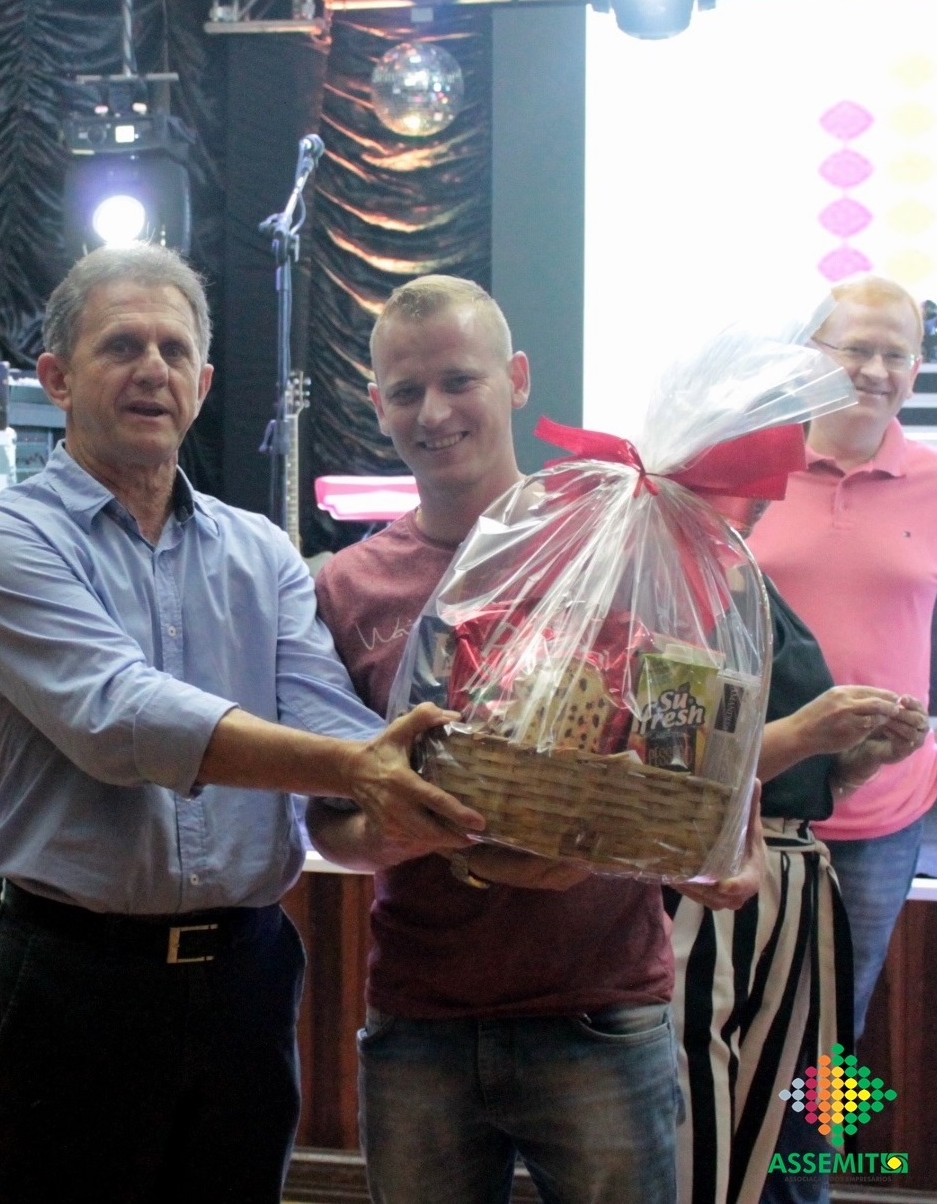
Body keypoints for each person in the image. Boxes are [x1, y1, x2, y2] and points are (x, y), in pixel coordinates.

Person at [0, 244, 485, 1204]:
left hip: (247, 975)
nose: (151, 369)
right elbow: (118, 718)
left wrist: (448, 794)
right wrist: (359, 766)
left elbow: (327, 719)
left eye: (173, 349)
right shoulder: (3, 540)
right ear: (57, 379)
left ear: (201, 385)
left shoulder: (261, 551)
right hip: (76, 979)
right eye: (121, 346)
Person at [307, 275, 759, 1204]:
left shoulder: (618, 546)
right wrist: (405, 828)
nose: (433, 413)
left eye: (459, 381)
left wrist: (725, 846)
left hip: (600, 1012)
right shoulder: (347, 587)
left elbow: (699, 740)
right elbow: (325, 824)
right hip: (420, 1019)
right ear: (376, 404)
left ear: (515, 378)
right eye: (406, 391)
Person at [668, 489, 928, 1204]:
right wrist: (810, 736)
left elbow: (785, 766)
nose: (768, 490)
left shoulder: (746, 571)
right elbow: (678, 765)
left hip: (829, 850)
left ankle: (805, 1186)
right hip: (733, 868)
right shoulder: (680, 579)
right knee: (730, 1073)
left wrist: (854, 761)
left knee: (824, 1050)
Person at [748, 275, 937, 1043]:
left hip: (882, 813)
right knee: (736, 1011)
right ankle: (750, 1132)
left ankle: (811, 1133)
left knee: (835, 1023)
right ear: (809, 356)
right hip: (756, 795)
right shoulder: (746, 471)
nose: (875, 370)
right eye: (855, 348)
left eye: (896, 355)